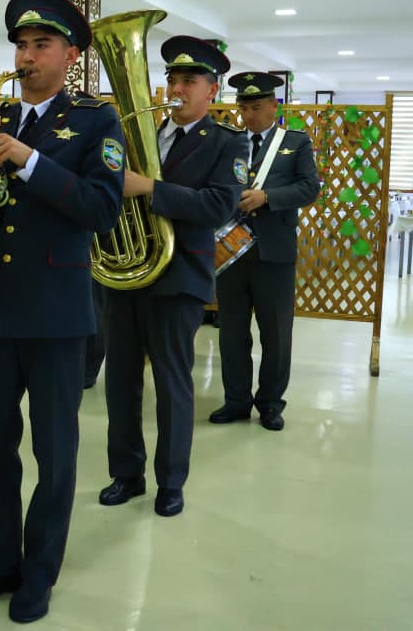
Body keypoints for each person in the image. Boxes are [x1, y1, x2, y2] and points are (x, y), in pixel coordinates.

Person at [0, 0, 125, 623]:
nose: (26, 56)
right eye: (20, 46)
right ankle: (0, 562)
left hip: (55, 313)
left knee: (54, 451)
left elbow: (102, 208)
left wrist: (28, 161)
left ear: (70, 54)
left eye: (40, 45)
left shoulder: (96, 121)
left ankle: (39, 573)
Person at [100, 36, 243, 518]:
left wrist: (149, 188)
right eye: (172, 79)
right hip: (125, 275)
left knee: (172, 383)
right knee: (119, 381)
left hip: (178, 277)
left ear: (212, 91)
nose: (177, 88)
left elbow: (218, 206)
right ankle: (126, 473)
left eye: (189, 81)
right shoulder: (133, 135)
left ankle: (171, 481)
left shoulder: (227, 142)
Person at [211, 71, 320, 431]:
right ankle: (236, 401)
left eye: (256, 107)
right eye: (243, 107)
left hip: (274, 252)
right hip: (231, 252)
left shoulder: (295, 143)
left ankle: (271, 403)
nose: (248, 115)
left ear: (275, 105)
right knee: (231, 332)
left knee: (275, 334)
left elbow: (309, 188)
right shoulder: (228, 142)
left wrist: (268, 197)